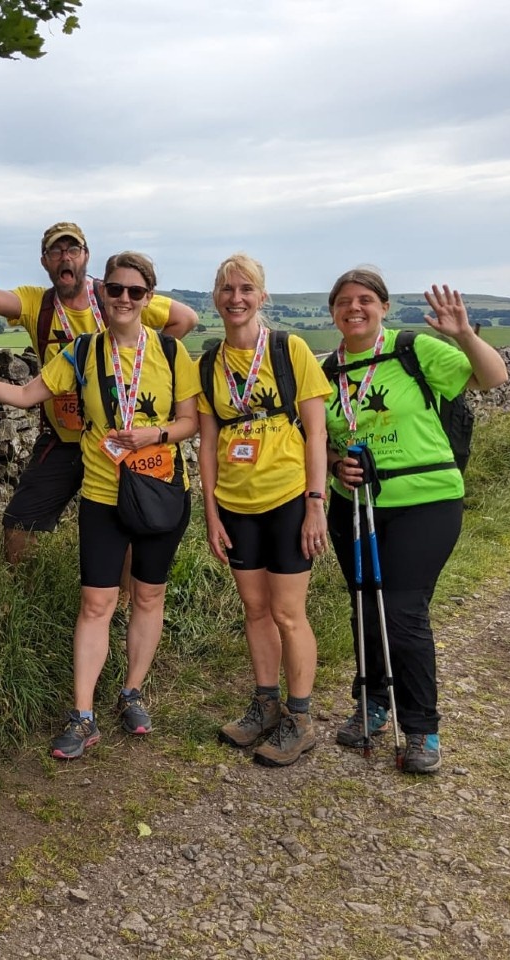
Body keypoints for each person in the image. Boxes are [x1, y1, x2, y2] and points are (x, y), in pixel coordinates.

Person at [0, 252, 200, 759]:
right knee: (96, 603)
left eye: (135, 292)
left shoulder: (173, 354)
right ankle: (83, 714)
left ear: (149, 299)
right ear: (101, 294)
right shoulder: (83, 352)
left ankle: (131, 692)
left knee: (149, 598)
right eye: (115, 290)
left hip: (161, 490)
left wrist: (154, 433)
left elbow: (191, 422)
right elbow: (25, 395)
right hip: (103, 495)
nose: (124, 299)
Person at [323, 268, 508, 774]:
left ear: (382, 307)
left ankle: (422, 727)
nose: (353, 309)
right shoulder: (327, 372)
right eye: (343, 301)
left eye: (364, 300)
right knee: (365, 605)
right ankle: (373, 704)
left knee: (402, 612)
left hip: (425, 500)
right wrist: (337, 465)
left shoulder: (414, 350)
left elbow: (494, 378)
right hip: (355, 504)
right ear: (333, 311)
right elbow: (322, 442)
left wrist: (464, 335)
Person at [0, 223, 198, 565]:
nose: (65, 257)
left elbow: (185, 318)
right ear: (45, 261)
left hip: (120, 436)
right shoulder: (39, 303)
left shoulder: (116, 294)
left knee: (132, 512)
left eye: (72, 250)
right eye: (56, 251)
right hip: (64, 438)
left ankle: (125, 602)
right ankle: (29, 596)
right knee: (20, 521)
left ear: (86, 256)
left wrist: (143, 365)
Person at [198, 254, 332, 767]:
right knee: (255, 610)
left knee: (288, 613)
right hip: (235, 504)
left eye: (246, 289)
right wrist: (210, 513)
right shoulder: (207, 363)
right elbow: (208, 444)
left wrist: (315, 502)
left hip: (288, 499)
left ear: (262, 296)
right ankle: (266, 704)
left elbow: (316, 432)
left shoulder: (288, 348)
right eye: (227, 289)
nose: (236, 298)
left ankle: (300, 718)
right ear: (216, 297)